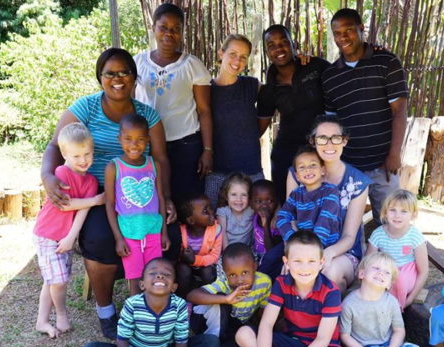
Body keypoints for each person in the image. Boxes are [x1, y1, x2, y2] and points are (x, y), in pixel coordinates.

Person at [41, 47, 171, 340]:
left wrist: (168, 198)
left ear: (135, 77)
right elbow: (54, 146)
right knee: (100, 238)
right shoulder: (86, 108)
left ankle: (152, 303)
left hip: (142, 195)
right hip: (97, 193)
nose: (117, 79)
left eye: (124, 72)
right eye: (110, 73)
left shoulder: (147, 115)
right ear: (100, 77)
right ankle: (106, 311)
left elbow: (161, 160)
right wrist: (47, 176)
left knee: (168, 236)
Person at [234, 230, 352, 347]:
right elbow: (266, 324)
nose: (305, 268)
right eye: (297, 261)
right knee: (243, 334)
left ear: (321, 263)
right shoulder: (281, 283)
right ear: (286, 262)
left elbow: (323, 340)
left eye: (311, 261)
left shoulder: (330, 291)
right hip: (293, 342)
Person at [81, 258, 219, 347]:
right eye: (153, 273)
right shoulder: (132, 304)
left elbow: (181, 341)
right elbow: (122, 340)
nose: (160, 276)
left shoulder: (179, 305)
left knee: (211, 342)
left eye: (167, 274)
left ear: (174, 287)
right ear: (142, 284)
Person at [322, 8, 408, 225]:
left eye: (349, 30)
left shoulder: (386, 62)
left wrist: (394, 153)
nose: (343, 37)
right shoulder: (330, 76)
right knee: (347, 225)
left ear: (361, 29)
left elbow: (399, 111)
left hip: (382, 163)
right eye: (337, 33)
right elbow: (332, 123)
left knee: (391, 222)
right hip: (348, 164)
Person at [134, 3, 213, 204]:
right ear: (153, 28)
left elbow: (204, 111)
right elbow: (130, 106)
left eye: (176, 29)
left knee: (186, 201)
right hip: (147, 145)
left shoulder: (192, 65)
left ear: (182, 33)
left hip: (185, 146)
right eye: (163, 27)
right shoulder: (138, 63)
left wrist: (207, 150)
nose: (169, 33)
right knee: (151, 198)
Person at [285, 115, 372, 291]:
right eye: (322, 138)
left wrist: (326, 255)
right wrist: (297, 254)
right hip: (301, 247)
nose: (329, 144)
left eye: (336, 138)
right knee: (291, 273)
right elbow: (289, 219)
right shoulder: (298, 174)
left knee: (328, 272)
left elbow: (349, 236)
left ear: (344, 141)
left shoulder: (357, 182)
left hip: (341, 252)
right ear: (313, 141)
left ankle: (332, 308)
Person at [33, 123, 101, 338]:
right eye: (76, 156)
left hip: (64, 237)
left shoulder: (90, 181)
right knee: (58, 281)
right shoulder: (61, 172)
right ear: (64, 155)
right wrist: (96, 200)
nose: (83, 160)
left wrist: (71, 237)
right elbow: (65, 204)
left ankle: (42, 321)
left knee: (53, 279)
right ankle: (61, 316)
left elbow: (82, 211)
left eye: (87, 154)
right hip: (47, 234)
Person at [257, 25, 331, 203]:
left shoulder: (315, 67)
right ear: (267, 52)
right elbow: (258, 128)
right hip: (286, 153)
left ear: (293, 44)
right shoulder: (270, 88)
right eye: (271, 45)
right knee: (287, 204)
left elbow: (344, 78)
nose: (278, 48)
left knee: (324, 203)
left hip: (322, 149)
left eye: (283, 42)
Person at [340, 252, 424, 347]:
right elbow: (345, 336)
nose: (381, 273)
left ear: (390, 283)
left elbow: (399, 331)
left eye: (387, 272)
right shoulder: (349, 303)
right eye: (376, 268)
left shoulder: (391, 302)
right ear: (361, 274)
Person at [104, 114, 170, 296]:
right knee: (135, 280)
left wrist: (164, 232)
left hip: (153, 231)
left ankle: (153, 309)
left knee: (154, 277)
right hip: (129, 233)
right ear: (119, 139)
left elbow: (160, 198)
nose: (134, 145)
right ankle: (135, 312)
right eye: (128, 139)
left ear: (148, 140)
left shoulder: (154, 165)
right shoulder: (114, 167)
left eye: (140, 139)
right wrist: (118, 238)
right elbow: (110, 204)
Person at [187, 243, 271, 347]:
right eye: (232, 275)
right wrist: (226, 299)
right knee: (222, 303)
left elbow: (263, 313)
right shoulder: (224, 285)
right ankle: (208, 346)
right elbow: (191, 295)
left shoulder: (264, 282)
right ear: (226, 274)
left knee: (242, 337)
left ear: (254, 266)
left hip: (230, 327)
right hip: (204, 323)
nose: (239, 280)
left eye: (245, 272)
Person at [205, 34, 265, 208]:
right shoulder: (206, 90)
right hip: (218, 170)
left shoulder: (252, 85)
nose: (237, 61)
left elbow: (277, 95)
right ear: (221, 53)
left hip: (251, 168)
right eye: (232, 54)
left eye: (243, 57)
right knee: (215, 219)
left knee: (255, 219)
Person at [366, 189, 428, 309]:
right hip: (385, 269)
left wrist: (410, 299)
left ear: (413, 214)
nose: (397, 215)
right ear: (385, 212)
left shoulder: (415, 236)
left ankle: (396, 308)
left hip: (406, 272)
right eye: (392, 210)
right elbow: (368, 263)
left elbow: (424, 271)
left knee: (400, 279)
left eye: (404, 211)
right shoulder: (378, 234)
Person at [277, 146, 341, 248]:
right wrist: (292, 238)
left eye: (313, 165)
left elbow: (324, 222)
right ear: (297, 176)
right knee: (270, 257)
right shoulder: (296, 195)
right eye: (302, 167)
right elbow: (282, 217)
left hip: (324, 248)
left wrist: (310, 249)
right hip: (299, 244)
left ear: (322, 170)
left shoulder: (330, 192)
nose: (307, 170)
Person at [175, 193, 222, 297]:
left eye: (210, 208)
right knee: (183, 270)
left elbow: (215, 256)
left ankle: (207, 299)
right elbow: (176, 254)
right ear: (191, 220)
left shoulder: (216, 230)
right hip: (186, 265)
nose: (211, 211)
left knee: (208, 272)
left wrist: (194, 260)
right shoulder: (180, 232)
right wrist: (183, 257)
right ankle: (183, 300)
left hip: (205, 266)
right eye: (205, 211)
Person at [216, 172, 254, 249]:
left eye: (244, 195)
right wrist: (227, 253)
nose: (239, 199)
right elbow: (222, 234)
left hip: (247, 251)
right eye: (234, 194)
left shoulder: (251, 210)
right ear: (226, 196)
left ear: (249, 196)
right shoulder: (223, 211)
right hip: (228, 250)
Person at [250, 179, 281, 262]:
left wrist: (266, 225)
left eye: (270, 201)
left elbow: (271, 251)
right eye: (258, 201)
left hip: (270, 261)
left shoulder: (277, 224)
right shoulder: (255, 216)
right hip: (256, 257)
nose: (264, 206)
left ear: (276, 202)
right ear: (251, 203)